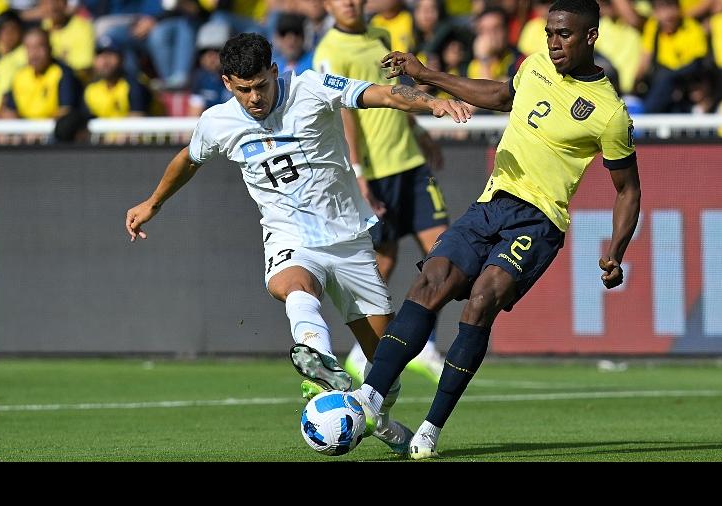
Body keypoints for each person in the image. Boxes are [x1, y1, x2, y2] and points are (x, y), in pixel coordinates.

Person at [124, 32, 471, 454]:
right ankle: (319, 362)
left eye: (261, 86)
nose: (254, 98)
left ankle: (376, 416)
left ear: (274, 71)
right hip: (289, 234)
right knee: (291, 284)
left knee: (387, 366)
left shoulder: (312, 87)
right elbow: (188, 159)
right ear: (228, 84)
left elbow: (382, 94)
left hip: (348, 241)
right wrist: (153, 202)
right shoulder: (218, 122)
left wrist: (430, 101)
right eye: (243, 89)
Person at [352, 0, 641, 459]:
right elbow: (500, 95)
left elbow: (627, 189)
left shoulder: (609, 113)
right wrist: (427, 74)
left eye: (564, 34)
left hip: (539, 220)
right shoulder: (537, 64)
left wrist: (617, 250)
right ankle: (369, 397)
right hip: (492, 202)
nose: (553, 41)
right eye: (549, 32)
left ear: (590, 37)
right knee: (431, 281)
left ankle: (431, 426)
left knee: (482, 299)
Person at [314, 0, 452, 386]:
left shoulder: (380, 36)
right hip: (375, 172)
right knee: (381, 264)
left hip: (410, 163)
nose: (350, 3)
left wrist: (419, 133)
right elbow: (345, 112)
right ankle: (364, 349)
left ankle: (422, 345)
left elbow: (395, 93)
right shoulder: (329, 51)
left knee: (444, 254)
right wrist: (358, 173)